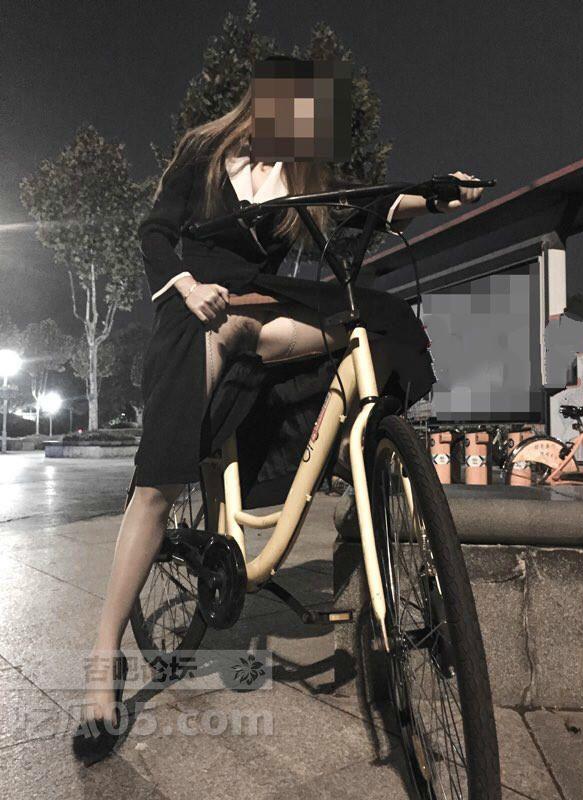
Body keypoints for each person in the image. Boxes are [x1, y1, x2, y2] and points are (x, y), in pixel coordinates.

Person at [72, 57, 484, 764]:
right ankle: (103, 655)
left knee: (372, 322)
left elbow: (365, 208)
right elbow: (154, 231)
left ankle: (364, 448)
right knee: (157, 483)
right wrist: (184, 284)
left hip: (264, 309)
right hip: (202, 306)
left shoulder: (302, 180)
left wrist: (435, 194)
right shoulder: (205, 151)